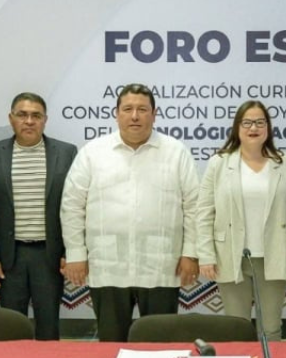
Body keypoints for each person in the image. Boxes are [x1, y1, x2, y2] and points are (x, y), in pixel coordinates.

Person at [61, 83, 200, 342]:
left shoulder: (175, 152)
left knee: (161, 342)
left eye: (142, 109)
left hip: (161, 265)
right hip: (108, 264)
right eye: (128, 109)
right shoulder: (93, 152)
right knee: (111, 342)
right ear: (117, 113)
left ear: (154, 114)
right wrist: (76, 254)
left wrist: (190, 253)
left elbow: (193, 206)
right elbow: (72, 206)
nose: (135, 116)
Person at [197, 100, 286, 341]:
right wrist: (206, 254)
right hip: (230, 255)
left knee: (270, 328)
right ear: (237, 127)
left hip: (273, 255)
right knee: (236, 328)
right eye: (247, 122)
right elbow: (204, 212)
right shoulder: (219, 163)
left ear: (268, 128)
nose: (254, 128)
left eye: (260, 122)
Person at [0, 93, 77, 340]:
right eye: (22, 115)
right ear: (11, 119)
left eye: (36, 115)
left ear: (45, 120)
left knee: (49, 326)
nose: (29, 121)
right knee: (11, 327)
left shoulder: (66, 153)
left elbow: (74, 208)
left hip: (50, 256)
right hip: (10, 257)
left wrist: (70, 252)